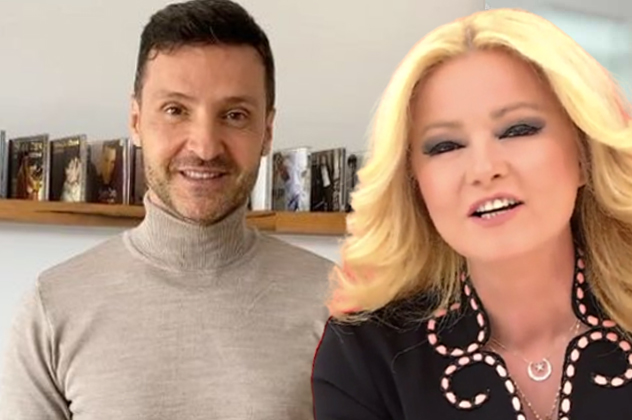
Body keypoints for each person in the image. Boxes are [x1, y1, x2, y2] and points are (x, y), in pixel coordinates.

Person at [0, 1, 331, 419]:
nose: (204, 146)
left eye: (235, 115)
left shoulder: (335, 305)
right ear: (136, 120)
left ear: (267, 131)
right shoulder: (51, 309)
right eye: (175, 110)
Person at [312, 8, 632, 420]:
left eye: (518, 130)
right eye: (445, 146)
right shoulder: (364, 354)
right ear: (414, 184)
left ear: (586, 154)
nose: (483, 169)